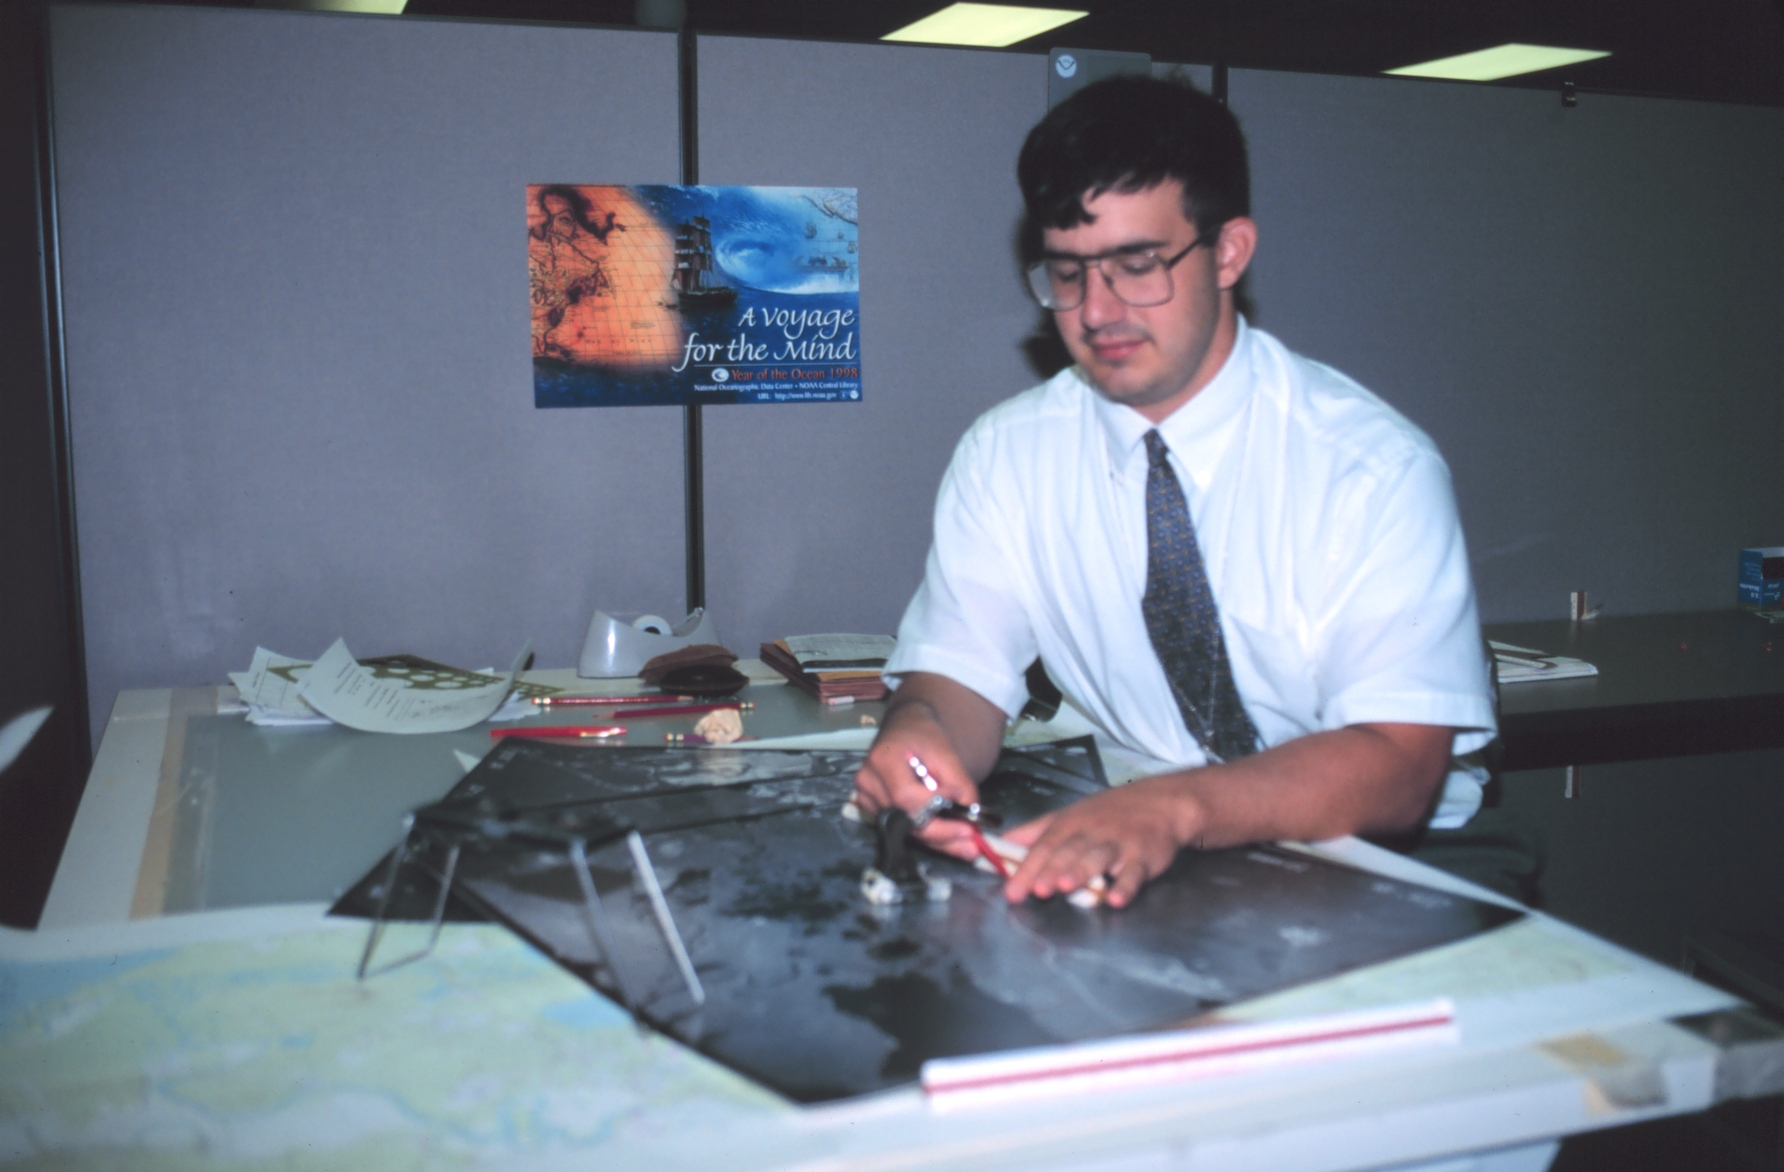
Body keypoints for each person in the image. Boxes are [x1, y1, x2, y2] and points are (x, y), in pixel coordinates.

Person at [854, 74, 1499, 909]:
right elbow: (959, 676)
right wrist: (919, 738)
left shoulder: (1369, 467)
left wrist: (1175, 807)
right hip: (1134, 835)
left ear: (1229, 250)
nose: (1098, 311)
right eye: (1068, 273)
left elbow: (1399, 764)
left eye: (1137, 264)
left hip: (1383, 858)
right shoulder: (1007, 455)